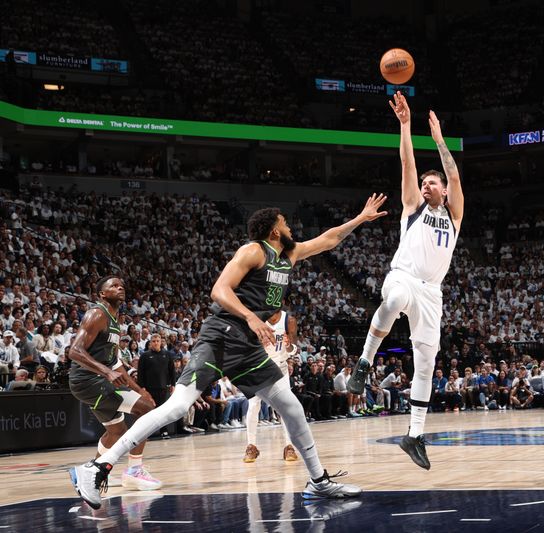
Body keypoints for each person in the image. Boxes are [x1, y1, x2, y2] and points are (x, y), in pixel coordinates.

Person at [70, 196, 387, 508]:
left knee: (290, 406)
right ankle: (97, 467)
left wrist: (360, 218)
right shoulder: (253, 251)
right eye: (285, 223)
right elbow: (219, 290)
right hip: (222, 336)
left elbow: (328, 240)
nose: (291, 227)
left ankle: (318, 481)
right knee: (178, 406)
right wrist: (250, 316)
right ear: (274, 231)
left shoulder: (289, 255)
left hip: (247, 347)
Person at [347, 92, 464, 470]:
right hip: (404, 278)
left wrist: (441, 141)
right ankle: (364, 363)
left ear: (444, 191)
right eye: (426, 183)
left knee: (427, 361)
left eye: (434, 183)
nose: (428, 185)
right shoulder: (413, 208)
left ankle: (414, 435)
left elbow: (456, 176)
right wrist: (405, 125)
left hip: (432, 294)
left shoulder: (454, 216)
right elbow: (407, 164)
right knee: (393, 300)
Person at [67, 277, 161, 494]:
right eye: (114, 286)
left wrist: (139, 390)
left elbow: (116, 364)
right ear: (101, 294)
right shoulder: (97, 314)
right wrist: (106, 372)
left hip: (96, 380)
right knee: (147, 411)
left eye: (122, 285)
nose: (120, 287)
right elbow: (74, 350)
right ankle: (134, 471)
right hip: (89, 381)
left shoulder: (115, 321)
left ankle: (91, 476)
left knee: (117, 432)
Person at [243, 309, 298, 463]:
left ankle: (289, 446)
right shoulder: (256, 318)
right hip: (259, 367)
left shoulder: (289, 320)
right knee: (253, 405)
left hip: (280, 368)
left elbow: (294, 348)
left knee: (285, 408)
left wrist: (288, 347)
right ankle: (251, 446)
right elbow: (247, 346)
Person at [136, 334, 175, 438]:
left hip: (163, 388)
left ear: (161, 342)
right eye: (153, 341)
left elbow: (172, 371)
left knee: (163, 411)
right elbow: (141, 373)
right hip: (149, 389)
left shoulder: (167, 355)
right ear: (150, 343)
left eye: (158, 341)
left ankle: (164, 431)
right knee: (148, 411)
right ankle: (145, 433)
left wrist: (173, 384)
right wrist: (142, 388)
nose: (156, 343)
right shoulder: (145, 355)